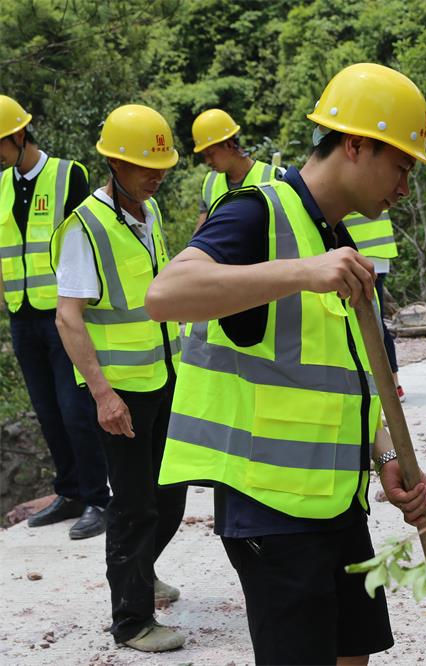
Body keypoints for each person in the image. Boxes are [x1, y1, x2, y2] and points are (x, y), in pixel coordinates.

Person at [149, 63, 426, 666]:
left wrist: (385, 457)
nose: (405, 187)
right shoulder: (258, 212)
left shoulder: (334, 238)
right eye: (402, 166)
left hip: (336, 501)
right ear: (356, 145)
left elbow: (347, 378)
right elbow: (167, 294)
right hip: (272, 512)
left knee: (353, 653)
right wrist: (305, 273)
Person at [50, 104, 187, 652]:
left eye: (160, 166)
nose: (155, 175)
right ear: (113, 162)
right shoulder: (86, 227)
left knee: (170, 493)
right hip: (120, 393)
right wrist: (103, 394)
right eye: (142, 166)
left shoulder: (147, 214)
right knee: (133, 504)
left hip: (162, 378)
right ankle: (132, 621)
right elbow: (68, 317)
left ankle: (142, 571)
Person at [0, 94, 110, 539]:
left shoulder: (69, 175)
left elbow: (86, 243)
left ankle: (99, 498)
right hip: (22, 315)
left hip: (63, 313)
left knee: (75, 408)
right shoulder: (2, 186)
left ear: (18, 135)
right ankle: (69, 492)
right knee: (47, 410)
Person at [342, 209, 404, 400]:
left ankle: (392, 385)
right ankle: (393, 383)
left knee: (373, 322)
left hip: (363, 254)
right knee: (375, 321)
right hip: (373, 254)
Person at [191, 108, 282, 231]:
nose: (208, 161)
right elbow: (201, 232)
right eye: (204, 156)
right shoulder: (210, 183)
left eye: (211, 154)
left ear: (228, 145)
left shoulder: (272, 177)